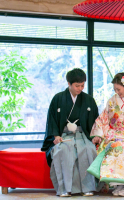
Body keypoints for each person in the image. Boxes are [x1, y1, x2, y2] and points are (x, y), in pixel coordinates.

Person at [41, 68, 99, 197]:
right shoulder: (58, 98)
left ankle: (88, 187)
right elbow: (52, 119)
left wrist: (95, 136)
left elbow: (96, 121)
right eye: (77, 85)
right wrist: (55, 136)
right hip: (63, 135)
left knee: (89, 150)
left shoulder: (89, 99)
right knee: (63, 152)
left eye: (82, 85)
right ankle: (65, 188)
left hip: (83, 134)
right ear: (69, 84)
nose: (80, 88)